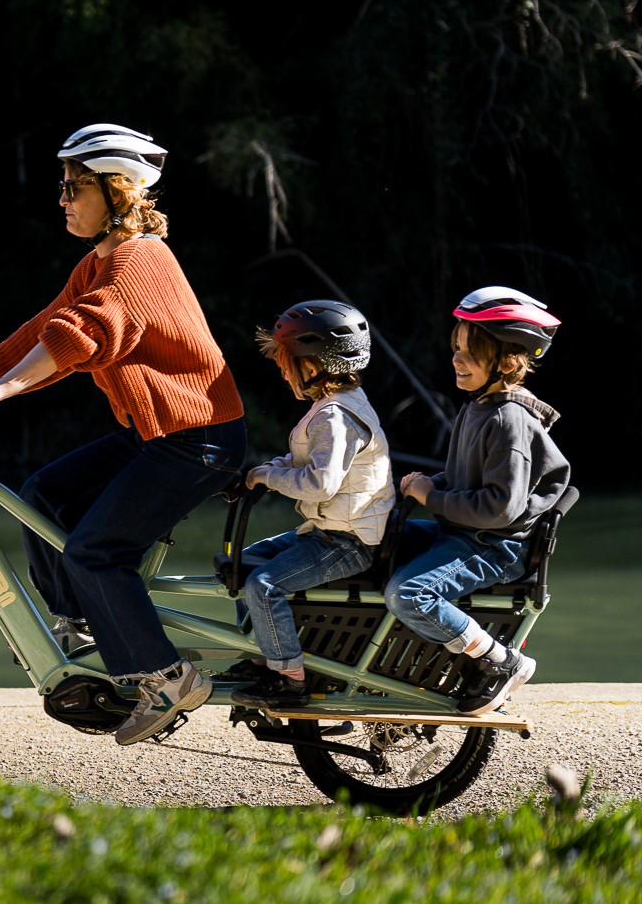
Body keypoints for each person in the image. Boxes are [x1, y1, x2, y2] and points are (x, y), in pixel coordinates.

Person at [0, 123, 247, 745]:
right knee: (43, 494)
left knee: (97, 552)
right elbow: (47, 325)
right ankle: (80, 628)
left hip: (198, 441)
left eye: (76, 186)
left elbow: (80, 336)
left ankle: (168, 676)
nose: (64, 198)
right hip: (152, 433)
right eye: (64, 185)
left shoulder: (137, 262)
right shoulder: (101, 260)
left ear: (119, 191)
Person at [384, 286, 571, 716]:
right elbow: (463, 476)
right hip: (464, 532)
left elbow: (499, 507)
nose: (456, 358)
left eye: (470, 352)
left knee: (409, 593)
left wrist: (431, 496)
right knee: (371, 543)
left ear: (507, 362)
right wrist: (426, 483)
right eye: (456, 348)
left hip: (494, 545)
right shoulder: (480, 407)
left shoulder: (509, 420)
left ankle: (501, 661)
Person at [226, 300, 396, 708]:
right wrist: (270, 468)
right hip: (329, 532)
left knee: (262, 585)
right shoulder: (339, 405)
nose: (283, 373)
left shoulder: (334, 417)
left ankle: (287, 676)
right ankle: (264, 654)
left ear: (314, 364)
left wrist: (269, 477)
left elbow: (321, 483)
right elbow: (312, 461)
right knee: (243, 561)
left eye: (287, 364)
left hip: (347, 542)